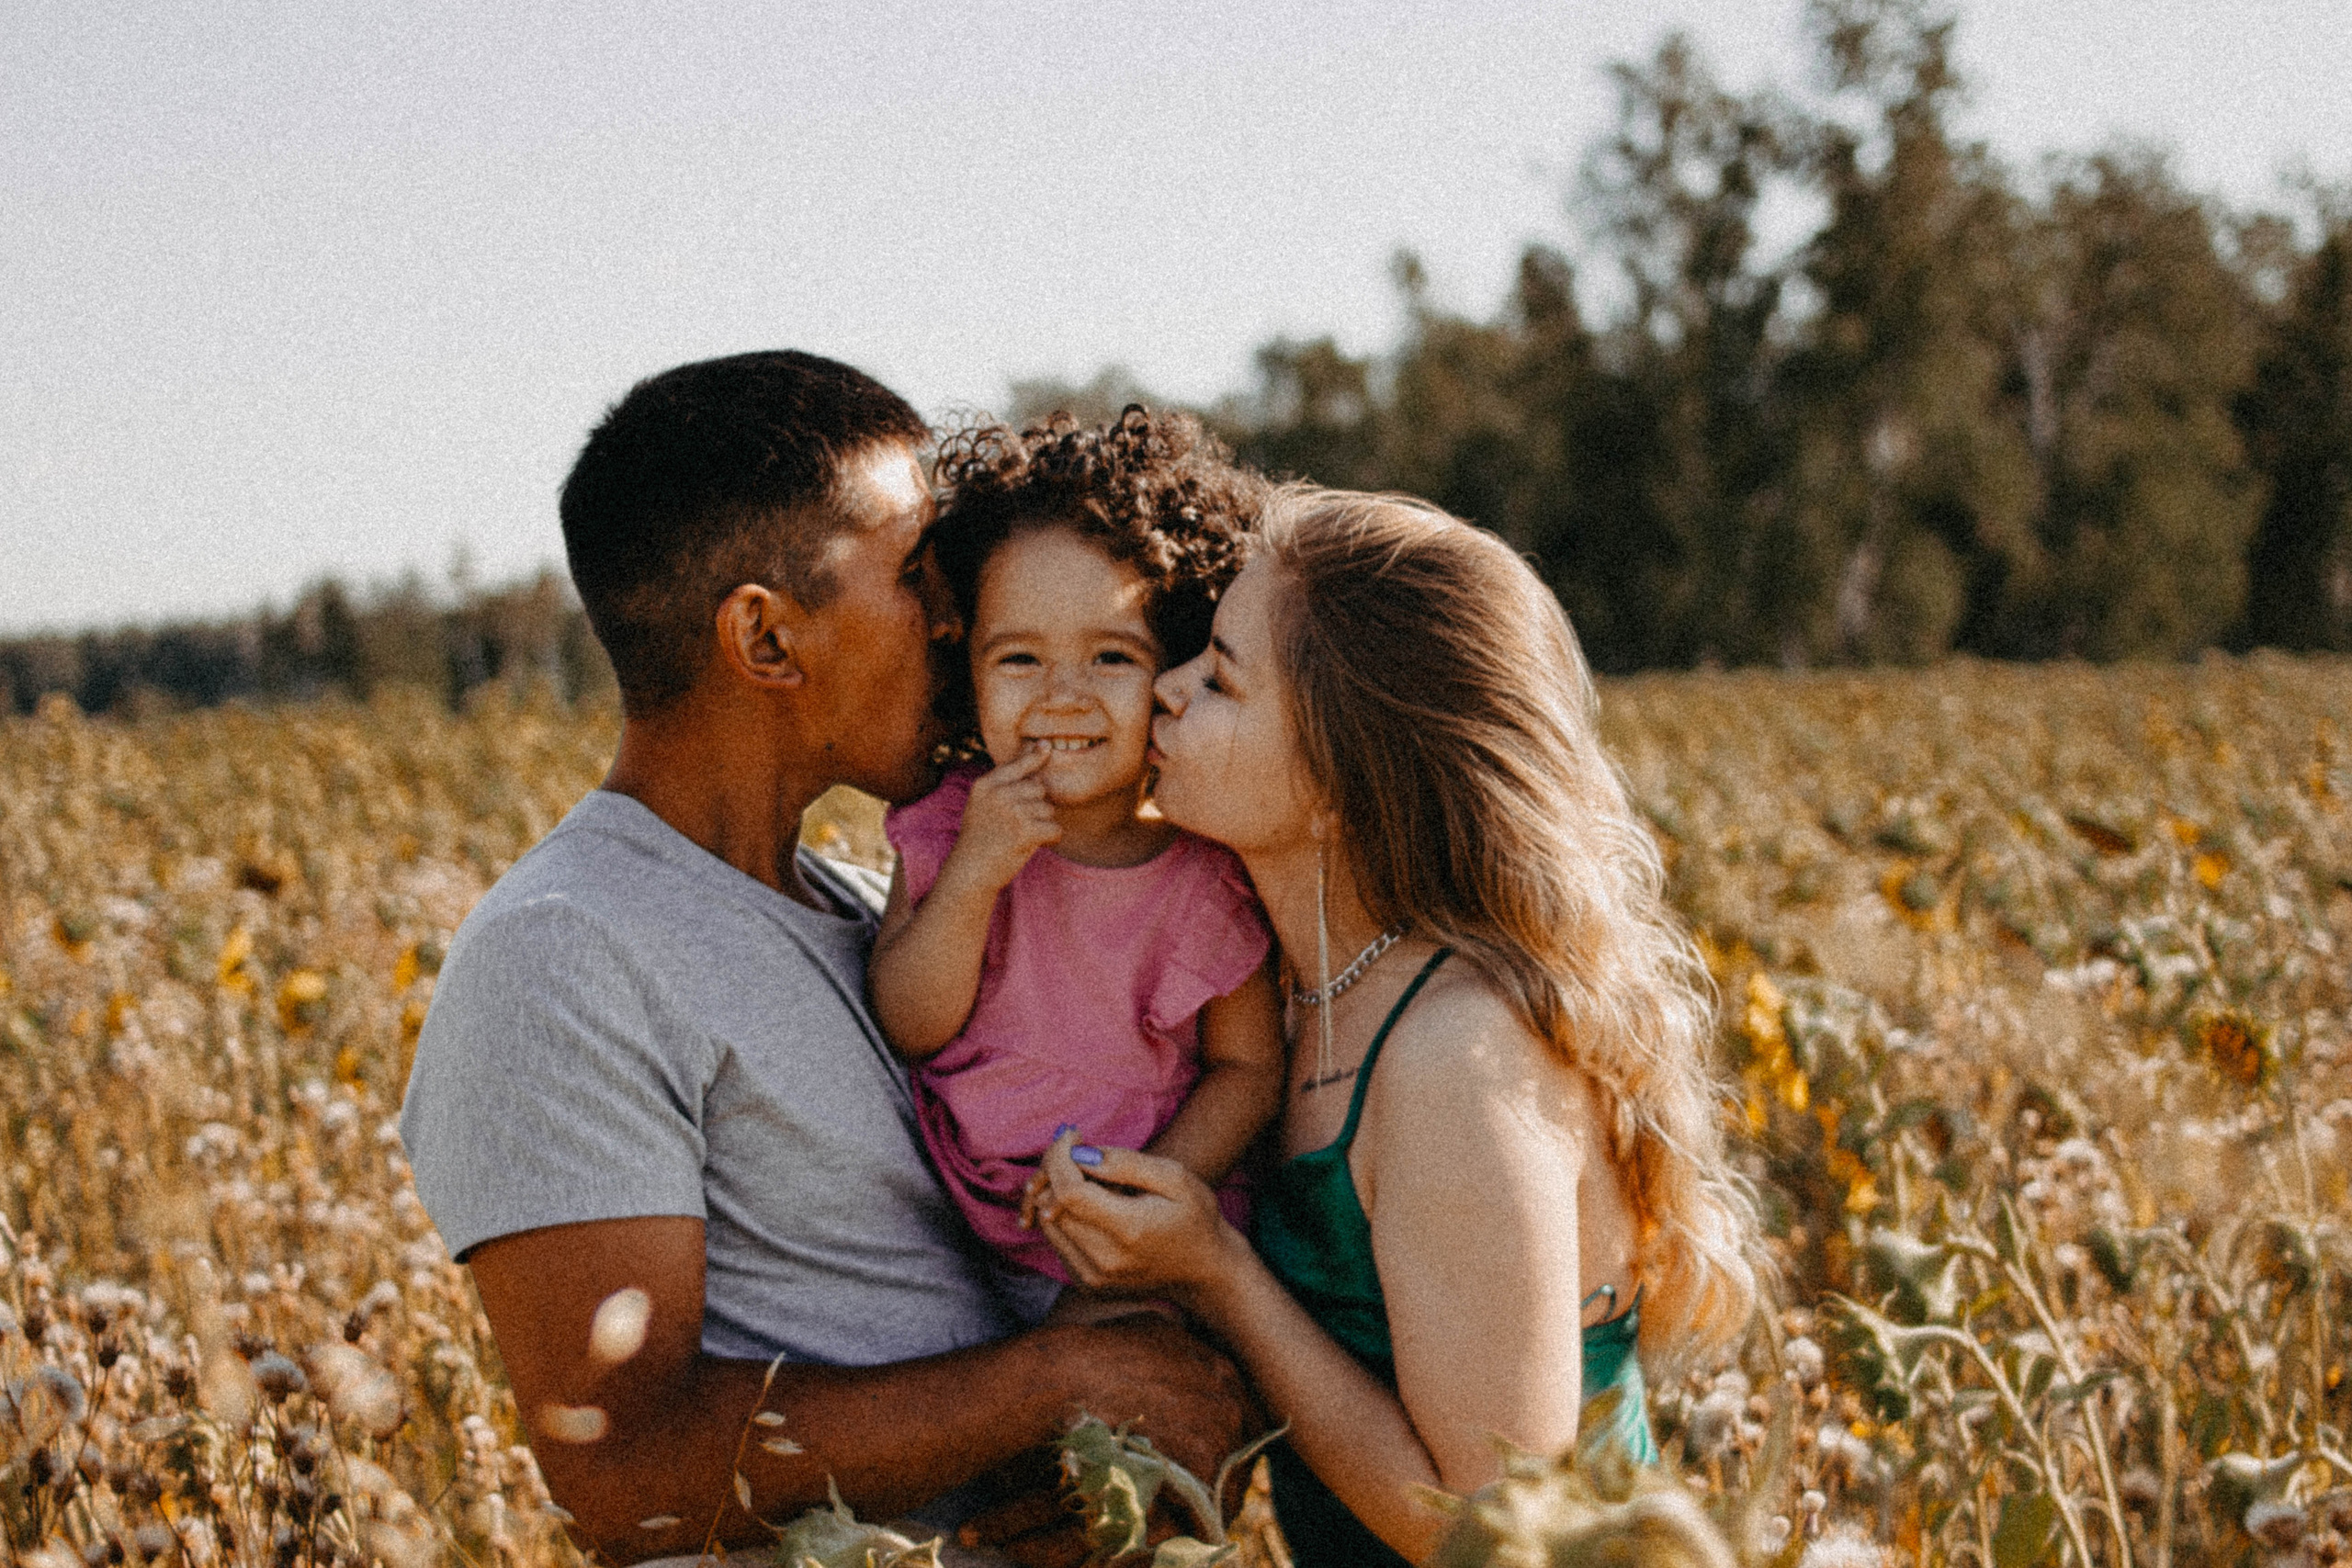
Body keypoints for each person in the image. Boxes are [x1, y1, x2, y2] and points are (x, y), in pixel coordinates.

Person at [397, 352, 1253, 1567]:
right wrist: (1060, 1378)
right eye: (915, 575)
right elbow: (620, 1461)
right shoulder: (561, 954)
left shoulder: (873, 904)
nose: (961, 616)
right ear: (764, 634)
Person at [1029, 487, 1762, 1565]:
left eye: (1221, 677)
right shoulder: (1291, 994)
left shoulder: (1453, 1057)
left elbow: (1493, 1529)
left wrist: (1217, 1273)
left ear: (1339, 773)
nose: (1168, 691)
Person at [866, 408, 1283, 1319]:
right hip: (957, 1226)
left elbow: (1248, 1070)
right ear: (965, 674)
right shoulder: (952, 826)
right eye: (1019, 658)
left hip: (1132, 1244)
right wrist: (975, 876)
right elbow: (910, 1022)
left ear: (1173, 669)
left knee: (1118, 1392)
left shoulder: (1203, 872)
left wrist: (1138, 1188)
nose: (1063, 695)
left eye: (1110, 656)